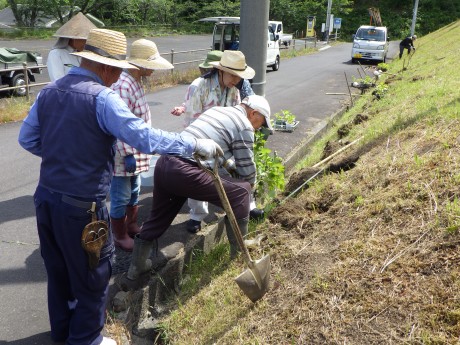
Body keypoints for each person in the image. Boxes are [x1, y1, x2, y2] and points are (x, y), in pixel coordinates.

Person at [18, 28, 221, 345]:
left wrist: (64, 155)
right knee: (92, 275)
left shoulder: (50, 91)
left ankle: (63, 334)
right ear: (107, 67)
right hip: (82, 206)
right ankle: (86, 339)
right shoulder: (102, 98)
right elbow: (145, 138)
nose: (119, 77)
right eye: (119, 70)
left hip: (46, 200)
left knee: (58, 272)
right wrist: (193, 144)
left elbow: (26, 138)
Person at [126, 94, 273, 282]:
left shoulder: (219, 111)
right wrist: (250, 185)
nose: (259, 127)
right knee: (242, 191)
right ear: (253, 113)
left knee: (158, 217)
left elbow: (217, 150)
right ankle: (239, 255)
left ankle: (136, 268)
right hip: (185, 170)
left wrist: (229, 167)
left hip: (165, 164)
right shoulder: (244, 125)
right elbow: (246, 168)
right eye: (261, 123)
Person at [180, 50, 255, 233]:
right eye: (232, 75)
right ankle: (196, 216)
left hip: (223, 140)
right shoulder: (199, 86)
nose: (235, 81)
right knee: (199, 174)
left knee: (234, 168)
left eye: (239, 77)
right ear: (220, 71)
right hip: (200, 139)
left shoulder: (234, 91)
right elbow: (191, 121)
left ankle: (246, 206)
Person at [110, 39, 174, 252]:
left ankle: (131, 225)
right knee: (120, 195)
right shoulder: (122, 84)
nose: (154, 70)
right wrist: (127, 153)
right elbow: (119, 124)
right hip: (124, 153)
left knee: (135, 190)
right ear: (141, 64)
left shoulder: (134, 81)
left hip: (136, 150)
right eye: (152, 65)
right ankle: (118, 235)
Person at [47, 12, 97, 81]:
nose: (86, 43)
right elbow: (57, 80)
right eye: (84, 40)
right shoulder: (56, 54)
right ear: (74, 38)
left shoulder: (84, 55)